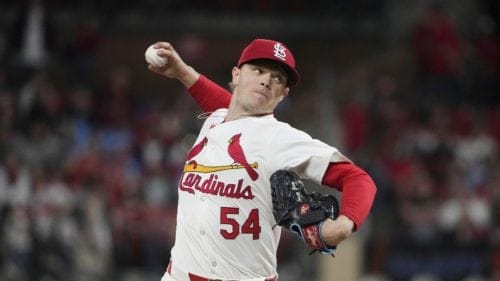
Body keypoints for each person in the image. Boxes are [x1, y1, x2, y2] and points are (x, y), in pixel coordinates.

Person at [147, 38, 377, 281]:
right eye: (258, 70)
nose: (266, 80)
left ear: (283, 94)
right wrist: (183, 72)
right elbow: (231, 110)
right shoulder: (216, 119)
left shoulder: (280, 139)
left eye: (277, 78)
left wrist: (342, 226)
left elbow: (358, 179)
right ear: (236, 75)